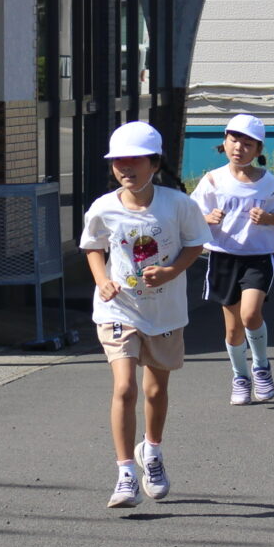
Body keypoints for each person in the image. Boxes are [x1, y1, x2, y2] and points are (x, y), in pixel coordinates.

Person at [81, 121, 211, 508]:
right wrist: (102, 279)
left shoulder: (178, 205)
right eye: (118, 162)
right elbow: (92, 246)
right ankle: (124, 474)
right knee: (125, 387)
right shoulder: (104, 207)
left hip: (166, 312)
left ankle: (150, 453)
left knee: (156, 390)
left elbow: (196, 243)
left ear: (154, 163)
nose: (125, 168)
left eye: (134, 160)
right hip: (118, 308)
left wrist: (171, 271)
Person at [192, 113, 274, 405]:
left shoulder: (269, 184)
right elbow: (189, 214)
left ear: (258, 150)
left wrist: (269, 217)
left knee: (251, 315)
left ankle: (261, 366)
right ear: (224, 143)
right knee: (233, 328)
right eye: (234, 140)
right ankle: (240, 376)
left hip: (258, 258)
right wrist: (207, 218)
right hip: (223, 257)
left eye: (247, 144)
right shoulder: (212, 180)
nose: (239, 147)